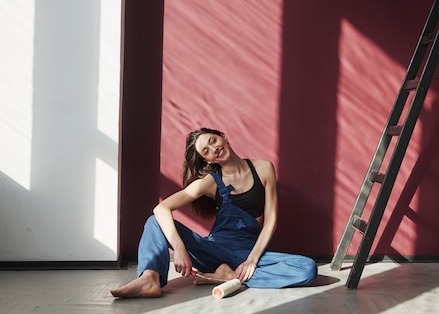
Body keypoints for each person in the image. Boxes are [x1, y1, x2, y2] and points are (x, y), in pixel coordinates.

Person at [110, 128, 317, 298]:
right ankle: (150, 278)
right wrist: (179, 248)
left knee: (306, 268)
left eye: (213, 141)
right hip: (214, 251)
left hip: (250, 251)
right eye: (206, 151)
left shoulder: (263, 168)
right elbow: (161, 208)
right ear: (207, 161)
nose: (213, 149)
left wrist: (252, 260)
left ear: (223, 137)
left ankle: (228, 277)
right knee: (154, 221)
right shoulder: (210, 182)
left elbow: (270, 220)